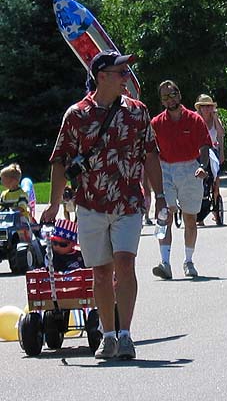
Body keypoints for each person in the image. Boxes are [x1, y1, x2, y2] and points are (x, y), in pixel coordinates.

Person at [43, 50, 164, 360]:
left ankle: (125, 335)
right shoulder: (77, 115)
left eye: (127, 73)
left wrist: (161, 197)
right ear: (102, 76)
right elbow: (59, 159)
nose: (127, 78)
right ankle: (107, 336)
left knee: (125, 263)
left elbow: (150, 154)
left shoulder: (137, 112)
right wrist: (54, 204)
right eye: (121, 72)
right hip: (90, 203)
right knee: (100, 272)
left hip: (128, 202)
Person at [150, 80, 212, 279]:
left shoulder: (194, 119)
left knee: (190, 219)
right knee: (164, 216)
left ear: (180, 94)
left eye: (173, 94)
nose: (170, 99)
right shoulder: (156, 123)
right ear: (162, 101)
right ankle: (165, 262)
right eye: (165, 97)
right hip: (165, 169)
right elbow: (150, 153)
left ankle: (189, 261)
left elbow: (204, 147)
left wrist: (203, 167)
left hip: (190, 168)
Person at [195, 94, 225, 225]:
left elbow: (221, 135)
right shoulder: (196, 120)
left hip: (213, 151)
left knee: (215, 180)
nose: (206, 109)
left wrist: (216, 118)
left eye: (209, 106)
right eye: (204, 107)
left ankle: (215, 202)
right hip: (199, 151)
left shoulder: (214, 121)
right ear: (200, 108)